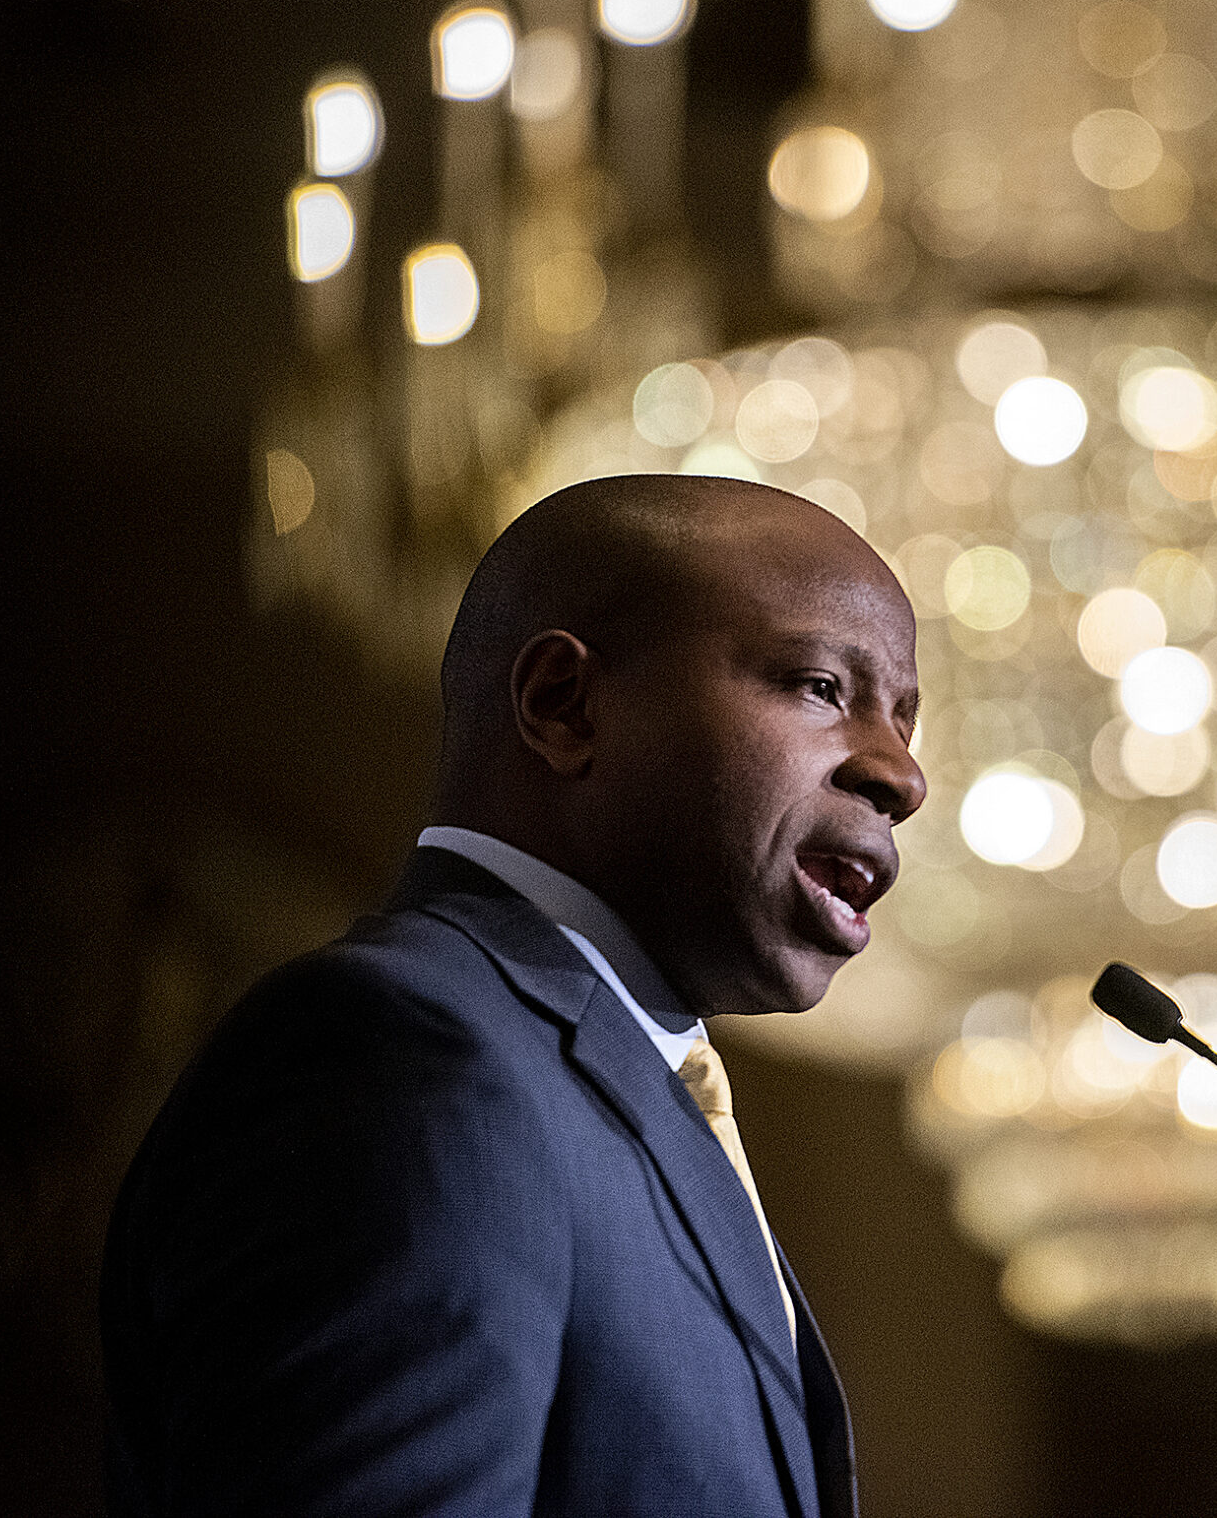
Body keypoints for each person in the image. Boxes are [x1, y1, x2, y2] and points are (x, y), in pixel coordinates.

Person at [100, 474, 926, 1517]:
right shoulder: (405, 1056)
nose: (902, 775)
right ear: (563, 704)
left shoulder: (609, 1088)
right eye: (818, 685)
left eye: (903, 717)